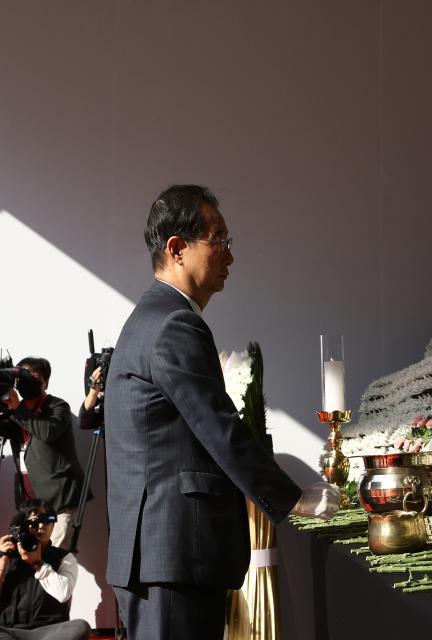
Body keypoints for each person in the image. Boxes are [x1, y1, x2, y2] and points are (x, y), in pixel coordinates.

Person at [105, 184, 340, 639]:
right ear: (177, 248)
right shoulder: (175, 323)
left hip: (156, 556)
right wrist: (295, 498)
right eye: (219, 240)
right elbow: (220, 430)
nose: (230, 256)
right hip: (173, 558)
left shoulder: (148, 318)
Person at [1, 359, 86, 550]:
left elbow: (48, 432)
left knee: (56, 559)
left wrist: (17, 410)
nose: (27, 382)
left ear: (45, 383)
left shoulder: (57, 407)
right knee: (32, 561)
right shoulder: (14, 411)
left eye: (34, 378)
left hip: (59, 499)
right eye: (23, 377)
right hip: (30, 502)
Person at [0, 500, 90, 640]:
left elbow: (63, 593)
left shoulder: (64, 557)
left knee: (80, 626)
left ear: (53, 525)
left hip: (49, 631)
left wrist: (38, 563)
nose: (42, 525)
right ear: (23, 525)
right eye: (36, 521)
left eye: (48, 520)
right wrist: (2, 561)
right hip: (9, 630)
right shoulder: (7, 553)